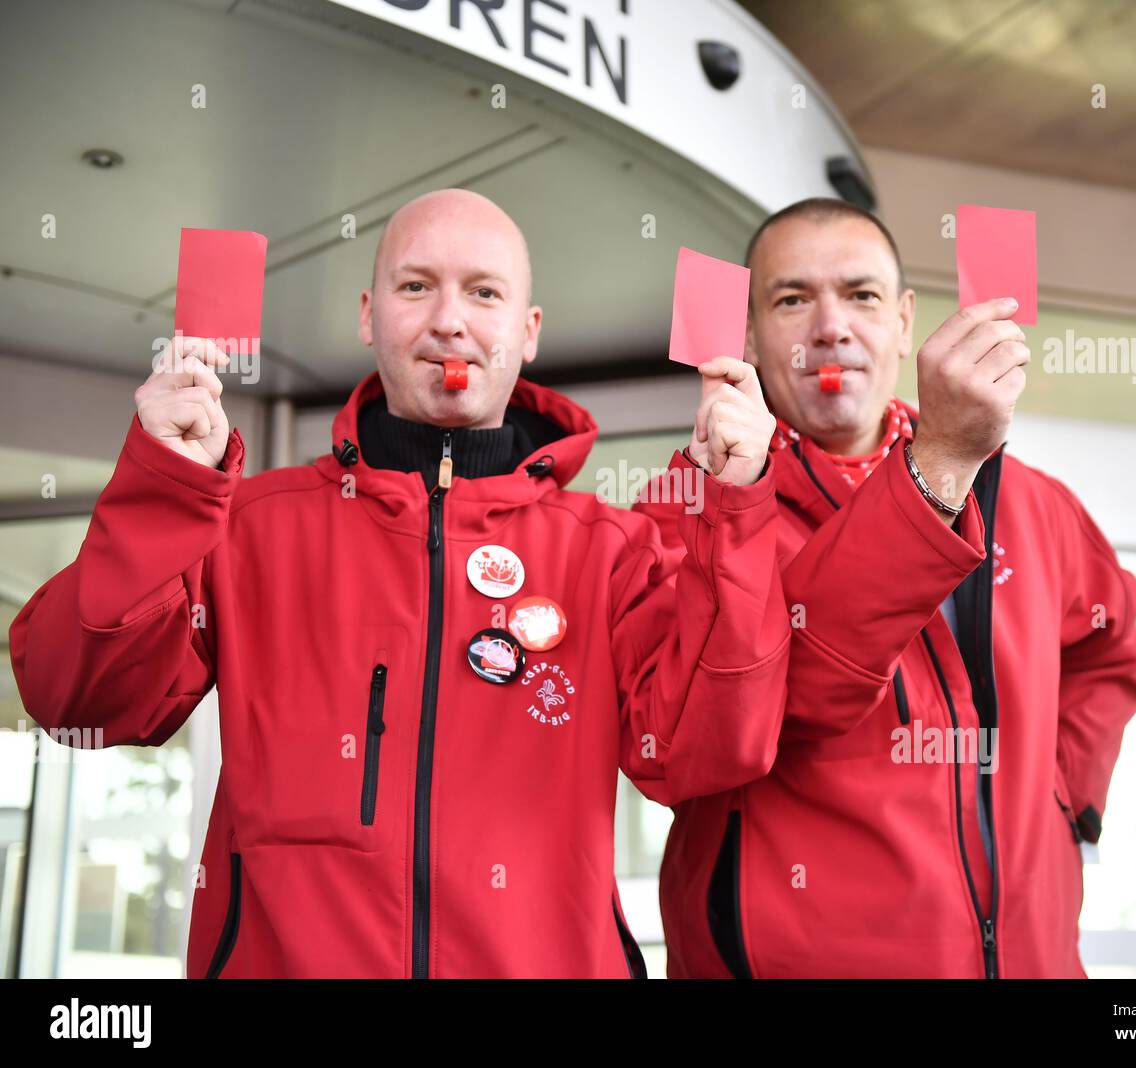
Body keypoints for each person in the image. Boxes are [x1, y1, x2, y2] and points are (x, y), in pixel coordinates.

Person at [8, 189, 789, 979]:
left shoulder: (614, 550)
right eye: (416, 287)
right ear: (366, 315)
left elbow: (709, 752)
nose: (450, 320)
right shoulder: (248, 527)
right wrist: (166, 487)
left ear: (529, 331)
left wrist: (739, 504)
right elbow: (79, 701)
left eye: (484, 292)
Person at [635, 198, 1136, 978]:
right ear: (745, 333)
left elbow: (1112, 645)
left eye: (862, 295)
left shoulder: (1032, 503)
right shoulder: (686, 513)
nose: (830, 326)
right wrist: (935, 468)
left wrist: (1061, 797)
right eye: (792, 299)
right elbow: (694, 750)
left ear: (906, 321)